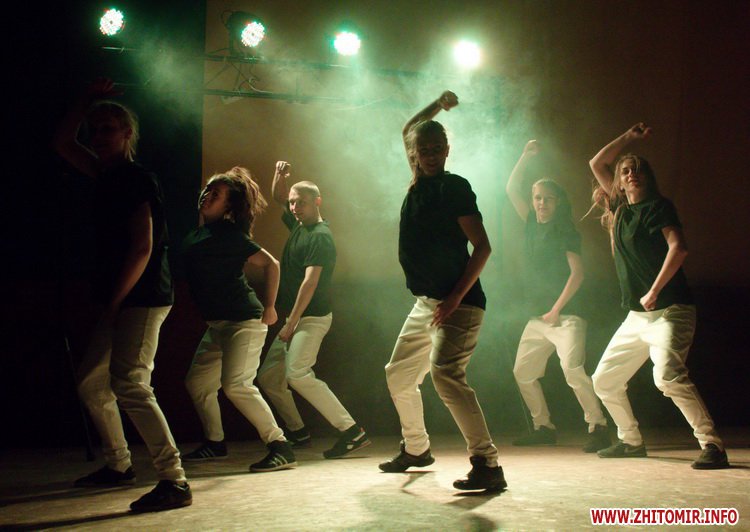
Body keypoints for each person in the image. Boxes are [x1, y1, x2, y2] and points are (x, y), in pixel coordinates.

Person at [52, 78, 191, 512]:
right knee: (92, 383)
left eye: (108, 129)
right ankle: (119, 464)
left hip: (143, 296)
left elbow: (144, 247)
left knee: (129, 382)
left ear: (127, 134)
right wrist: (85, 100)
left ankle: (175, 480)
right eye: (95, 130)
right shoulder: (103, 173)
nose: (99, 136)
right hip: (121, 297)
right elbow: (63, 143)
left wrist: (115, 303)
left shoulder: (135, 178)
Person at [379, 90, 506, 491]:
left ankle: (487, 464)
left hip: (460, 304)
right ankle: (417, 449)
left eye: (437, 148)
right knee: (399, 375)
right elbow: (408, 128)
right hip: (427, 303)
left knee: (446, 375)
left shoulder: (455, 188)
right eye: (424, 149)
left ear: (447, 150)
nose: (431, 154)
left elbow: (483, 247)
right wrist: (437, 103)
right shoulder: (417, 181)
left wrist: (454, 299)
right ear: (415, 153)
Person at [588, 123, 729, 469]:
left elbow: (679, 248)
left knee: (666, 375)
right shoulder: (620, 208)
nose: (631, 174)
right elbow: (596, 163)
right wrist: (628, 138)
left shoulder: (658, 207)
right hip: (639, 317)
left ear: (647, 178)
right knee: (604, 380)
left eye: (638, 170)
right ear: (619, 182)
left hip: (671, 309)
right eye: (625, 170)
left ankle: (712, 445)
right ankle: (630, 441)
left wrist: (654, 289)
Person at [181, 167, 296, 472]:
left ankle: (280, 446)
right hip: (218, 324)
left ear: (229, 206)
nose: (207, 196)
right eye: (207, 190)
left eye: (216, 194)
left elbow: (271, 264)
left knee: (236, 385)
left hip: (244, 322)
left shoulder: (229, 234)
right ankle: (215, 442)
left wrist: (270, 307)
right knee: (197, 383)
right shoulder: (198, 234)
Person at [256, 161, 369, 459]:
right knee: (269, 378)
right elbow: (279, 197)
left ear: (317, 202)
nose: (294, 207)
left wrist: (291, 323)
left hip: (312, 319)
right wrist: (278, 175)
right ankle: (298, 432)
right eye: (293, 202)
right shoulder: (298, 225)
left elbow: (310, 283)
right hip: (297, 319)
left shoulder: (319, 236)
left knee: (296, 373)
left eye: (301, 202)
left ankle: (352, 431)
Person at [505, 140, 610, 452]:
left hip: (567, 316)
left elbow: (578, 274)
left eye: (547, 199)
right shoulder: (530, 224)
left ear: (557, 202)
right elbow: (511, 188)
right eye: (537, 198)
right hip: (539, 318)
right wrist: (524, 156)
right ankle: (543, 427)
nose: (541, 203)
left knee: (572, 370)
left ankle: (599, 426)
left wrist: (556, 310)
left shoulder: (565, 230)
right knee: (523, 373)